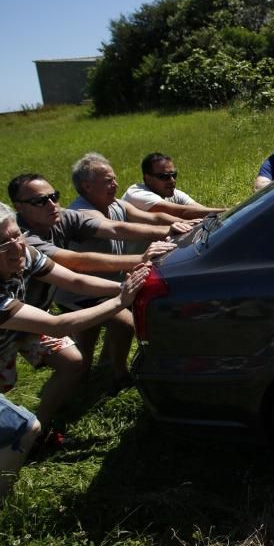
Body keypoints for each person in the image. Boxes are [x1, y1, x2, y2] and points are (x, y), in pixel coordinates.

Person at [0, 199, 148, 498]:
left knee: (72, 361)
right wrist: (121, 301)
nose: (16, 247)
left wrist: (124, 287)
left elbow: (75, 280)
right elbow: (58, 325)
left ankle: (26, 434)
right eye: (3, 243)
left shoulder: (18, 251)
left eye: (17, 235)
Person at [8, 173, 178, 392]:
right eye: (40, 201)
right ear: (19, 207)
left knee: (83, 350)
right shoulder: (22, 239)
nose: (52, 204)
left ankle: (90, 381)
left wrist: (169, 230)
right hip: (25, 313)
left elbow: (116, 229)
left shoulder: (60, 217)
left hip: (69, 292)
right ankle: (114, 375)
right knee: (124, 325)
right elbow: (76, 263)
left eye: (54, 196)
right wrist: (141, 259)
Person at [57, 153, 193, 386]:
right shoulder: (82, 213)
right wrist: (167, 232)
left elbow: (152, 217)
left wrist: (181, 223)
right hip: (83, 292)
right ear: (87, 186)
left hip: (107, 286)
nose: (115, 184)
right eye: (108, 181)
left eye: (114, 179)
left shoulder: (115, 204)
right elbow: (118, 229)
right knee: (125, 324)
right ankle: (119, 374)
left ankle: (90, 374)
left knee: (87, 347)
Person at [121, 152, 224, 219]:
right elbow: (182, 212)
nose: (172, 180)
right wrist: (227, 211)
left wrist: (231, 213)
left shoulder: (173, 193)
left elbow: (202, 211)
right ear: (148, 179)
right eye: (164, 177)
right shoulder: (136, 194)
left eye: (174, 175)